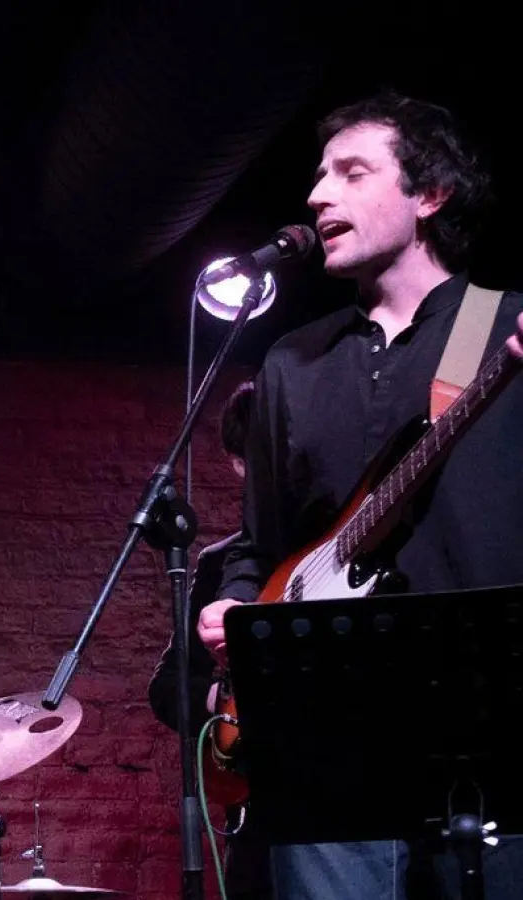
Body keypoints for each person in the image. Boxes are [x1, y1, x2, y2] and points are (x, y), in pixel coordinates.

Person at [197, 91, 523, 899]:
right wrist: (234, 608)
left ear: (430, 194)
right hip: (324, 745)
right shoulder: (290, 361)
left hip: (491, 732)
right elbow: (260, 544)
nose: (316, 195)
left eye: (351, 172)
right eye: (317, 177)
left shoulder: (502, 326)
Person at [146, 379, 269, 900]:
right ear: (238, 466)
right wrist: (223, 701)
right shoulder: (221, 562)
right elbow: (167, 687)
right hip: (256, 805)